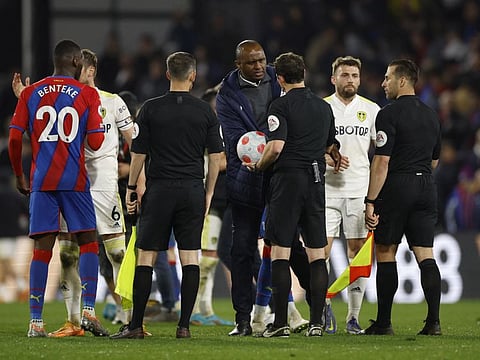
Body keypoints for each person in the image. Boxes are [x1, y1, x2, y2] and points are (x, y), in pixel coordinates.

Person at [12, 48, 137, 337]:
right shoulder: (87, 96)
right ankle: (87, 313)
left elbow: (16, 137)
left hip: (43, 181)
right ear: (77, 62)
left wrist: (19, 173)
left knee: (43, 250)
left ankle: (35, 322)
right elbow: (94, 142)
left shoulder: (32, 92)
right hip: (75, 180)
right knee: (87, 244)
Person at [110, 51, 223, 339]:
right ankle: (183, 326)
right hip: (192, 190)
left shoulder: (150, 109)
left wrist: (133, 188)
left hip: (159, 189)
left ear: (168, 74)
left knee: (146, 256)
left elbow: (138, 153)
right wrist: (208, 192)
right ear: (194, 76)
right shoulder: (205, 112)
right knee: (190, 257)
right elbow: (217, 158)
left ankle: (135, 326)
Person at [217, 40, 312, 337]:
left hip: (279, 176)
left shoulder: (279, 78)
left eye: (261, 60)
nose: (259, 66)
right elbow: (234, 139)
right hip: (245, 178)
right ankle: (244, 319)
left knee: (289, 244)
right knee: (242, 251)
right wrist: (259, 152)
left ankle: (315, 302)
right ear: (239, 65)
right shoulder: (227, 95)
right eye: (251, 62)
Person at [244, 52, 341, 337]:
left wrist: (258, 167)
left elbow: (275, 148)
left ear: (281, 78)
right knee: (316, 255)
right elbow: (328, 145)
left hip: (287, 183)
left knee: (280, 254)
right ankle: (316, 323)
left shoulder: (280, 106)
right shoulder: (324, 108)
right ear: (304, 75)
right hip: (315, 182)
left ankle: (282, 323)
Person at [364, 59, 442, 336]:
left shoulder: (388, 113)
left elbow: (381, 162)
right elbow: (434, 160)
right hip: (426, 186)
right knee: (425, 254)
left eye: (387, 78)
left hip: (398, 185)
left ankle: (384, 323)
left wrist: (370, 200)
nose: (383, 83)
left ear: (402, 81)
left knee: (386, 252)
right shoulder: (432, 114)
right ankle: (433, 322)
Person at [323, 56, 380, 334]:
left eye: (355, 76)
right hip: (326, 192)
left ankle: (353, 317)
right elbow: (309, 147)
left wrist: (374, 198)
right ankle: (321, 308)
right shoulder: (321, 108)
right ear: (334, 79)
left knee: (357, 254)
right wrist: (326, 159)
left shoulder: (371, 110)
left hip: (359, 192)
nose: (351, 80)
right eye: (345, 75)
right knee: (319, 252)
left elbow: (380, 154)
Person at [190, 87, 234, 326]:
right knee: (206, 258)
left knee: (213, 258)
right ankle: (197, 309)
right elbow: (211, 163)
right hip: (209, 199)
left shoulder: (229, 128)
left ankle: (206, 310)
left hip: (226, 199)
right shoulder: (204, 130)